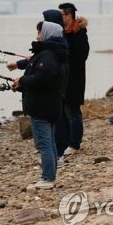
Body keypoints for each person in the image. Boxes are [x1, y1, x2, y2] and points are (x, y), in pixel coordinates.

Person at [12, 21, 68, 189]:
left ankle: (47, 179)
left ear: (47, 34)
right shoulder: (50, 53)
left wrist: (22, 80)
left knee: (44, 144)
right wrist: (21, 85)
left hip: (42, 108)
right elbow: (41, 81)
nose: (37, 36)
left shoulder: (47, 56)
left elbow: (43, 79)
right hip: (48, 105)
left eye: (39, 32)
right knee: (49, 143)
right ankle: (49, 177)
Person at [58, 2, 89, 156]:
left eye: (61, 15)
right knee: (64, 111)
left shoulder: (79, 32)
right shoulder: (62, 32)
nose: (60, 17)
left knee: (73, 111)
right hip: (63, 79)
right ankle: (66, 142)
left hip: (75, 78)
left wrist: (65, 63)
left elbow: (82, 56)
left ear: (69, 15)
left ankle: (74, 144)